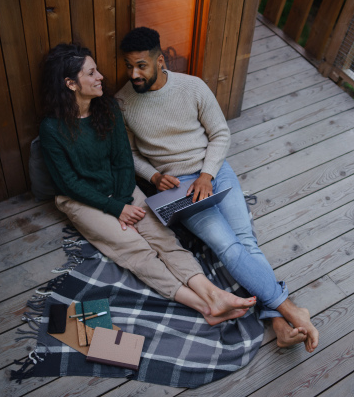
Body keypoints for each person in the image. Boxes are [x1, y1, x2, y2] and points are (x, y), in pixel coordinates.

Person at [115, 27, 319, 352]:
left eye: (141, 65)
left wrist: (208, 174)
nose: (133, 74)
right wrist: (153, 176)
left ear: (160, 60)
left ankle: (278, 321)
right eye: (128, 65)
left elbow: (220, 134)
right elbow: (130, 154)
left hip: (216, 172)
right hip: (179, 187)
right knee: (227, 247)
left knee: (246, 239)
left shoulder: (192, 87)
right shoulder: (123, 103)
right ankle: (290, 309)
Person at [39, 43, 256, 326]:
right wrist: (116, 208)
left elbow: (122, 160)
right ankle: (203, 306)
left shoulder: (108, 108)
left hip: (122, 188)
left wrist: (125, 200)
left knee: (163, 238)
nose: (100, 76)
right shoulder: (52, 129)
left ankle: (213, 293)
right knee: (136, 249)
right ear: (70, 84)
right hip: (82, 199)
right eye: (91, 73)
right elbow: (67, 183)